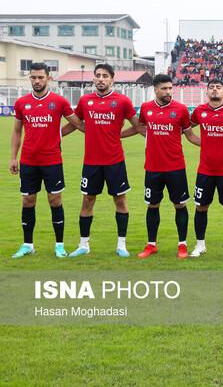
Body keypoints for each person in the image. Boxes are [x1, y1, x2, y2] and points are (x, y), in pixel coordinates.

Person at [63, 63, 143, 258]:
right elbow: (75, 124)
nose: (100, 79)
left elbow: (139, 126)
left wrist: (119, 135)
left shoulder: (122, 101)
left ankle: (121, 245)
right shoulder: (85, 101)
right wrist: (54, 135)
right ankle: (83, 245)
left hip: (115, 161)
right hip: (91, 162)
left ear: (112, 79)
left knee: (120, 200)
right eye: (97, 75)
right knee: (87, 200)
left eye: (104, 76)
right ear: (93, 79)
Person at [10, 63, 83, 258]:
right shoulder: (21, 103)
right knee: (27, 201)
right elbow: (17, 131)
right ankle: (27, 244)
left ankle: (59, 245)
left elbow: (77, 124)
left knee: (55, 200)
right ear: (30, 78)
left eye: (40, 77)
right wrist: (13, 158)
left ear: (48, 78)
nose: (37, 81)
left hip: (52, 161)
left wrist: (101, 132)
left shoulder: (59, 102)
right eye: (33, 77)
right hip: (28, 161)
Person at [132, 74, 201, 259]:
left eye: (170, 88)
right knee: (153, 205)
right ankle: (151, 244)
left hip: (176, 167)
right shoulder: (146, 108)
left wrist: (209, 144)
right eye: (164, 88)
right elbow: (140, 128)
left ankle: (182, 245)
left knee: (180, 205)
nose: (168, 91)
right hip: (153, 167)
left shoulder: (181, 109)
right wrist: (117, 135)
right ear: (155, 89)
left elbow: (190, 135)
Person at [189, 79, 223, 258]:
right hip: (205, 170)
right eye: (211, 87)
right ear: (207, 92)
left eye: (218, 87)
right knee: (201, 207)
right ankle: (200, 245)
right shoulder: (199, 111)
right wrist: (201, 143)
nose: (215, 90)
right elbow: (187, 129)